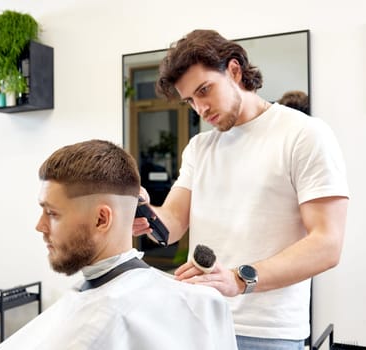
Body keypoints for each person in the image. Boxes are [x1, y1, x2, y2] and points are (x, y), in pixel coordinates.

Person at [133, 29, 349, 350]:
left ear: (234, 70)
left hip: (267, 331)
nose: (200, 108)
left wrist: (238, 280)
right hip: (201, 320)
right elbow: (173, 224)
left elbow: (327, 244)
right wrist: (144, 212)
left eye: (205, 90)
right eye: (190, 100)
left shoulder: (304, 134)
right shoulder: (199, 147)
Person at [0, 139, 237, 350]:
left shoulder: (98, 324)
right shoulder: (205, 304)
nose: (40, 226)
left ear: (102, 219)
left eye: (52, 213)